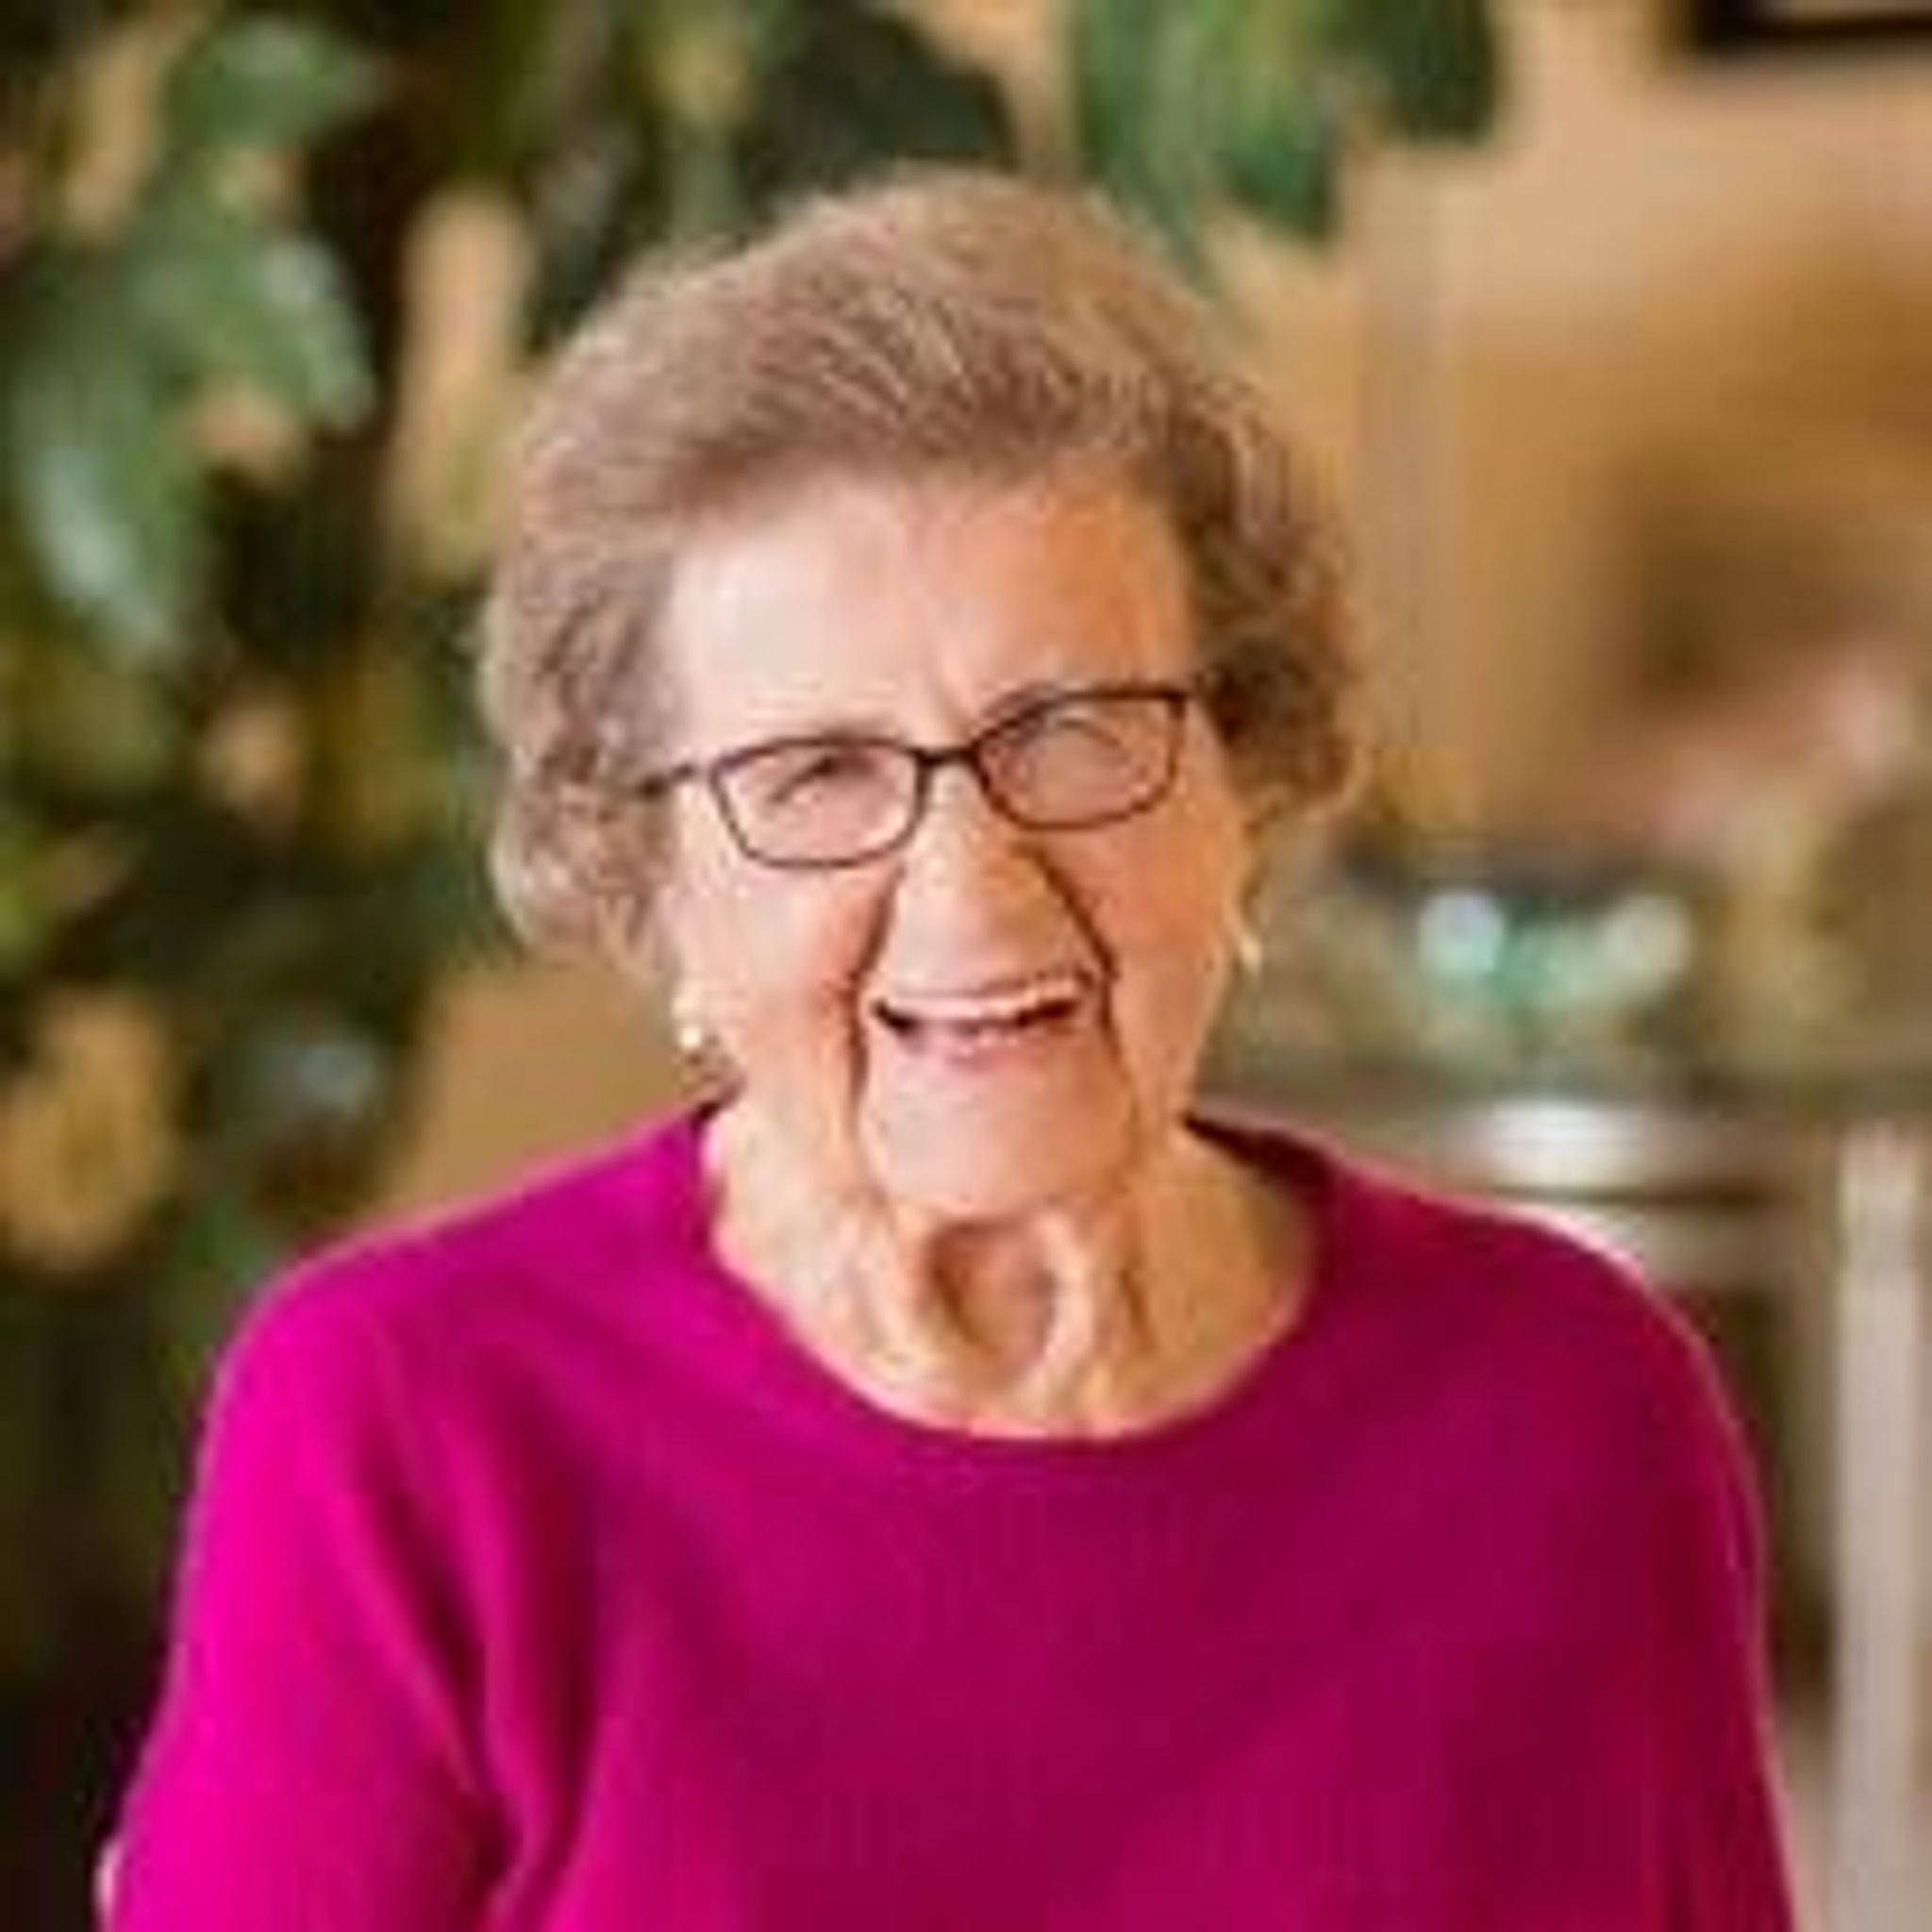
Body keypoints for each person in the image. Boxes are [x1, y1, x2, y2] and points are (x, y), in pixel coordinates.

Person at [108, 169, 1796, 1928]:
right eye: (817, 775)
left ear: (1244, 773)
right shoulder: (405, 1427)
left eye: (1070, 731)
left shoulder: (1569, 1411)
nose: (971, 890)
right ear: (652, 873)